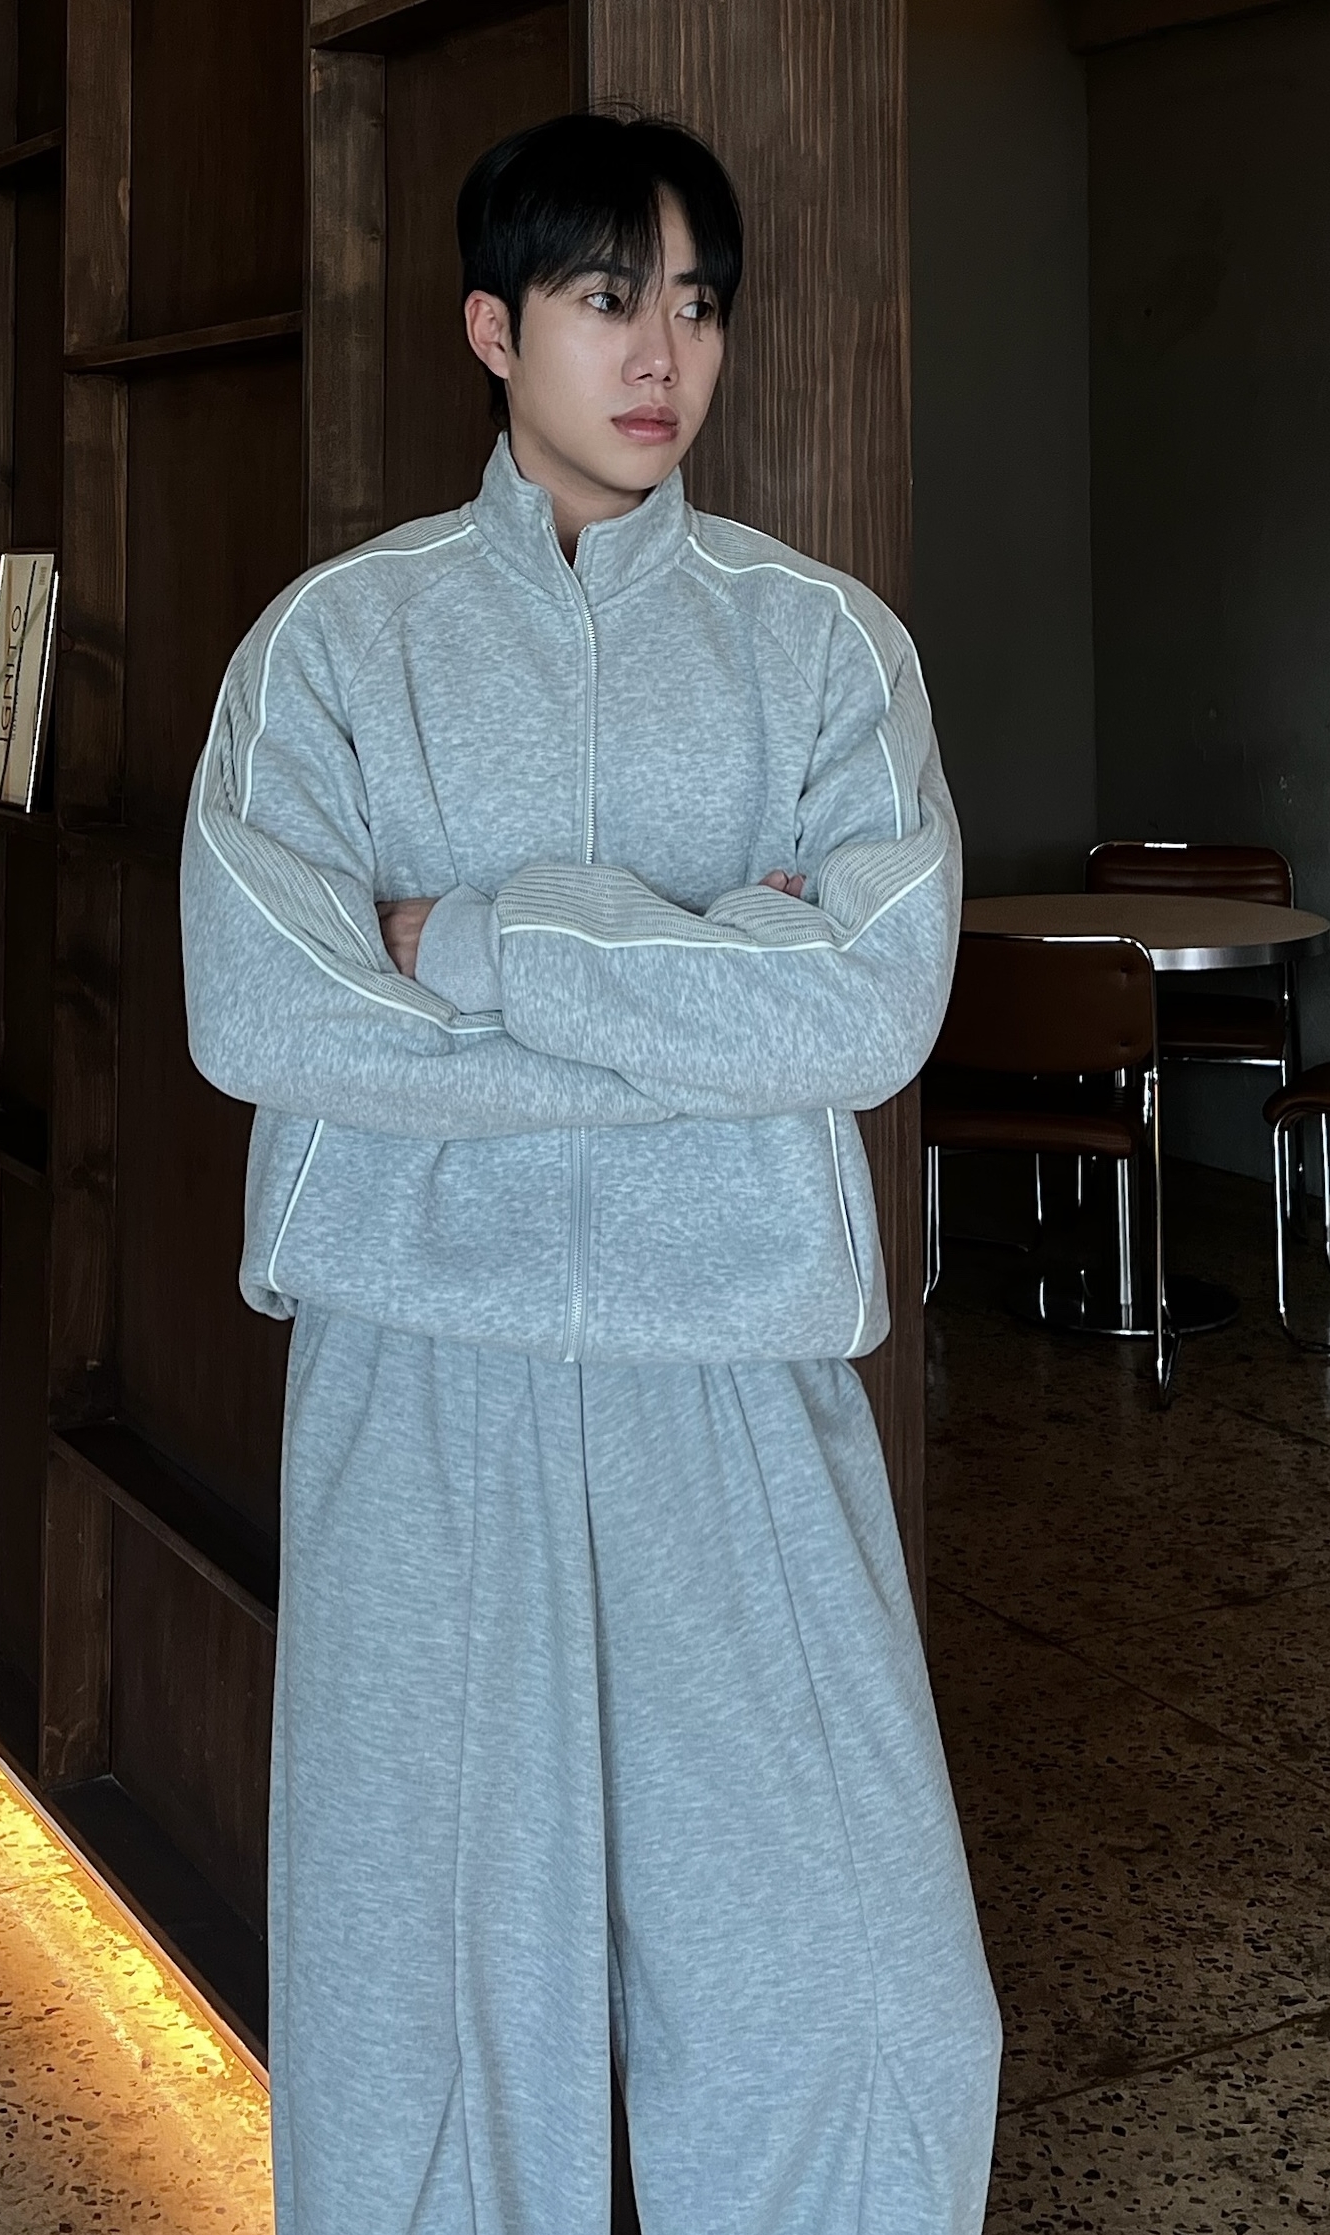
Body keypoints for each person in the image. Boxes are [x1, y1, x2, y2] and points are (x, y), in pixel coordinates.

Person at [180, 108, 1000, 2235]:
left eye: (698, 305)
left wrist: (468, 941)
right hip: (418, 1366)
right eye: (606, 297)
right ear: (491, 328)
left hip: (736, 1366)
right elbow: (261, 1013)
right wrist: (707, 1002)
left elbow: (870, 1008)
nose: (664, 355)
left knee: (860, 1989)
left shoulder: (823, 648)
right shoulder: (330, 647)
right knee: (421, 1989)